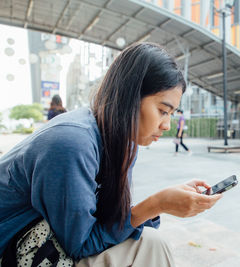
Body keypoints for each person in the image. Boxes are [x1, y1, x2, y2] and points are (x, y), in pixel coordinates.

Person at [0, 43, 222, 266]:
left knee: (151, 242)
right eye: (163, 111)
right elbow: (80, 245)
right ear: (130, 97)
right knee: (151, 245)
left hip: (44, 246)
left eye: (171, 114)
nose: (167, 125)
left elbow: (111, 219)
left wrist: (164, 203)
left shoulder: (123, 144)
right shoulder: (72, 142)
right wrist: (156, 204)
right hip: (13, 252)